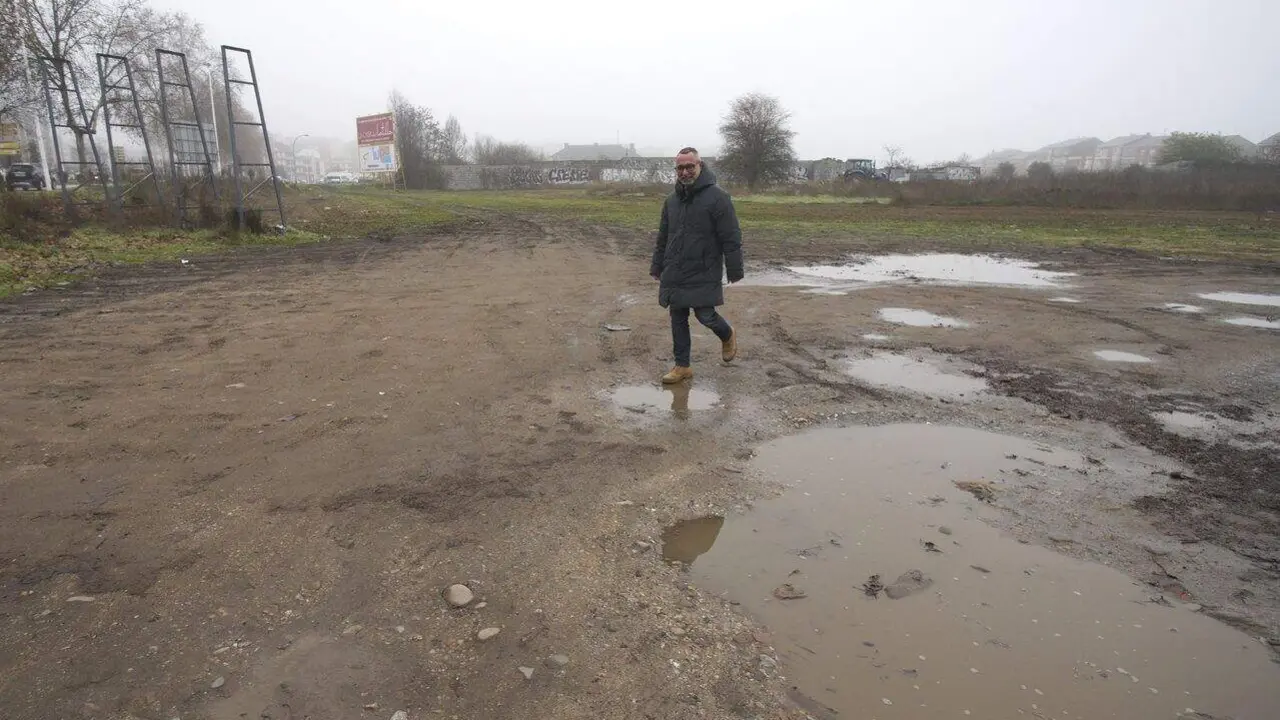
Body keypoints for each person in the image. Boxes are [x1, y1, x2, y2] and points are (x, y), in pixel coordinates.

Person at [650, 147, 744, 384]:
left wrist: (734, 269)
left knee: (705, 315)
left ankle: (727, 333)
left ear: (700, 166)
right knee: (677, 317)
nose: (685, 172)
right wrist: (657, 266)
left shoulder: (718, 197)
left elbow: (731, 235)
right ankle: (682, 366)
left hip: (704, 267)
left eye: (690, 166)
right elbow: (663, 237)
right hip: (675, 268)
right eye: (680, 168)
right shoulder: (671, 201)